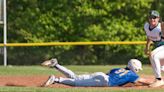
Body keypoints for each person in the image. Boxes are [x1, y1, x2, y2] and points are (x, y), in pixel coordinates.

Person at [40, 58, 149, 87]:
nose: (138, 71)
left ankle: (56, 65)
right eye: (138, 69)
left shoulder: (118, 69)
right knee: (77, 83)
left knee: (76, 77)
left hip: (101, 75)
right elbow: (142, 81)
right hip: (104, 81)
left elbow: (108, 73)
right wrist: (156, 81)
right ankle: (56, 79)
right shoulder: (132, 74)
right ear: (134, 67)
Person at [144, 10, 164, 87]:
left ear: (158, 18)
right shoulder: (146, 26)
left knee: (153, 55)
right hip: (161, 49)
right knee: (161, 67)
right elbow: (149, 36)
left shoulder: (160, 28)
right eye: (151, 17)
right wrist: (147, 47)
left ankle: (158, 79)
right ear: (148, 19)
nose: (152, 19)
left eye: (155, 17)